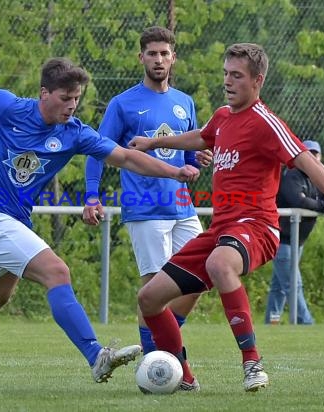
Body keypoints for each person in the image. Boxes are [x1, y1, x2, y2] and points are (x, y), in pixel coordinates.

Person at [0, 57, 200, 389]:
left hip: (15, 224)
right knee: (57, 272)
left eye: (76, 98)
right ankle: (96, 356)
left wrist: (175, 171)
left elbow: (126, 157)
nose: (72, 105)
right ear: (44, 93)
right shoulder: (7, 107)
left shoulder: (74, 133)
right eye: (65, 98)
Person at [128, 43, 324, 392]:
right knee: (149, 298)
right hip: (222, 230)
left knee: (220, 264)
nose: (227, 82)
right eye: (225, 74)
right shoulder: (222, 117)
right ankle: (182, 377)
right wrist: (154, 143)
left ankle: (252, 362)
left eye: (236, 76)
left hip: (257, 227)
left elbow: (305, 159)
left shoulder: (265, 122)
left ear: (257, 81)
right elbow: (203, 138)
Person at [82, 26, 210, 371]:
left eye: (164, 53)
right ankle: (163, 363)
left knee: (201, 277)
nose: (158, 59)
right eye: (152, 54)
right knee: (155, 290)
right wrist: (91, 195)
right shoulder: (123, 103)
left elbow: (185, 154)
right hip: (145, 208)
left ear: (173, 58)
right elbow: (97, 151)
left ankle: (159, 349)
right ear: (141, 57)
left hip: (182, 206)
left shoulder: (185, 103)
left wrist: (195, 160)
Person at [264, 140, 324, 325]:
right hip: (284, 240)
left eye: (315, 153)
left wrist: (323, 204)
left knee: (279, 287)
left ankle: (271, 322)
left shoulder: (318, 178)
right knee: (293, 284)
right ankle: (306, 322)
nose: (312, 156)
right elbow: (298, 201)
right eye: (307, 153)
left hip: (298, 242)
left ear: (320, 156)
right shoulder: (293, 176)